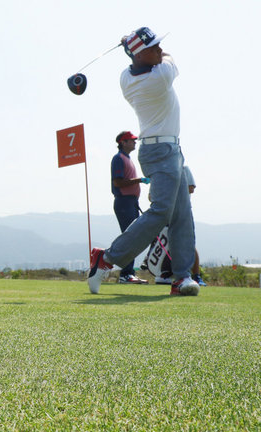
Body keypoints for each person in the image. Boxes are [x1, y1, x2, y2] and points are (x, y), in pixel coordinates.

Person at [87, 27, 199, 296]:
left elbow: (144, 58)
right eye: (154, 47)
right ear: (138, 54)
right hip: (161, 151)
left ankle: (181, 278)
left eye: (160, 46)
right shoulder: (161, 76)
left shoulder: (126, 77)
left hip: (168, 149)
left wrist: (132, 45)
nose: (161, 50)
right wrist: (132, 44)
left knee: (182, 215)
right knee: (161, 211)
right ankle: (108, 257)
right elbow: (171, 58)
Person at [111, 130, 149, 284]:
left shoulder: (128, 158)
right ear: (123, 142)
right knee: (130, 237)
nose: (134, 142)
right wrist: (138, 180)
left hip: (131, 202)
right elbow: (118, 182)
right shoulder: (119, 158)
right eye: (131, 140)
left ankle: (128, 273)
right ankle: (126, 274)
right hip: (123, 201)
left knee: (134, 236)